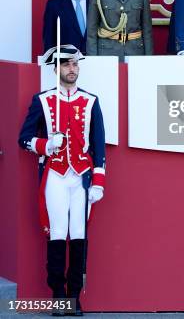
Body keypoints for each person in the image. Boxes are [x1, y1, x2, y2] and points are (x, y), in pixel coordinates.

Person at [18, 45, 106, 316]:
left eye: (75, 64)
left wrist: (99, 181)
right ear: (56, 69)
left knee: (79, 234)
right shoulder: (43, 100)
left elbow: (99, 145)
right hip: (54, 174)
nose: (72, 68)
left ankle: (74, 296)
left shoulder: (91, 101)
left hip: (81, 177)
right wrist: (46, 144)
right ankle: (58, 295)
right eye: (66, 64)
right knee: (57, 233)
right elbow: (23, 139)